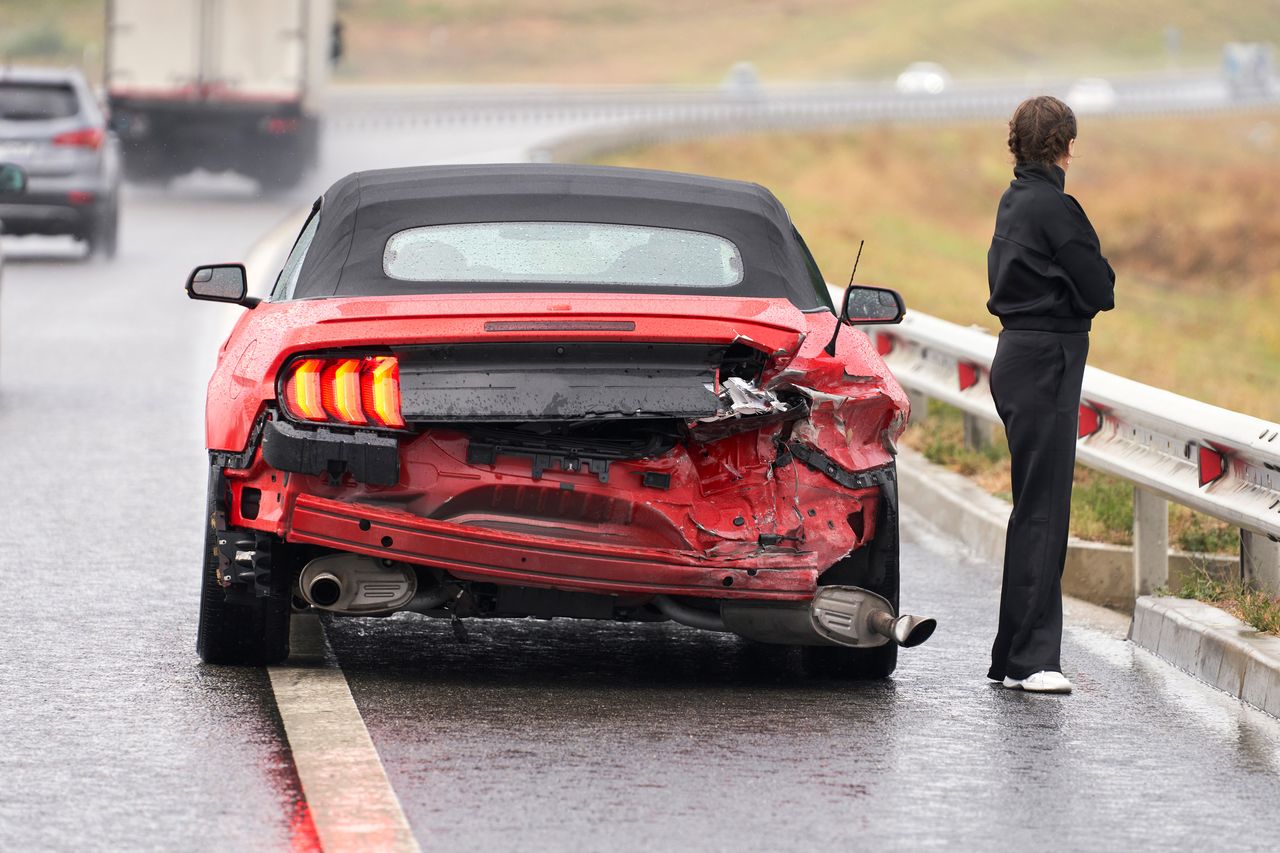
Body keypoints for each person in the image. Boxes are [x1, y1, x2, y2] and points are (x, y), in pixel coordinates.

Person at [985, 95, 1115, 694]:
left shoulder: (1015, 201)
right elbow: (1101, 287)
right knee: (1044, 512)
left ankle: (1013, 657)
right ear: (1067, 144)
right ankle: (1033, 661)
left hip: (1020, 359)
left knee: (1033, 509)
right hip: (1046, 364)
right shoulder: (1055, 208)